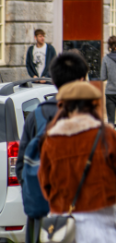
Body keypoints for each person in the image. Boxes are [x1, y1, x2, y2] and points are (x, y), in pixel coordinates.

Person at [39, 81, 116, 243]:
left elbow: (45, 186)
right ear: (94, 104)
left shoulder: (51, 140)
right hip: (101, 229)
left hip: (62, 230)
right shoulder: (108, 136)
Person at [17, 51, 88, 242]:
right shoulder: (88, 118)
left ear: (55, 81)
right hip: (77, 214)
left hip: (40, 212)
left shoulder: (36, 115)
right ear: (81, 79)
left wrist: (35, 194)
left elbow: (21, 165)